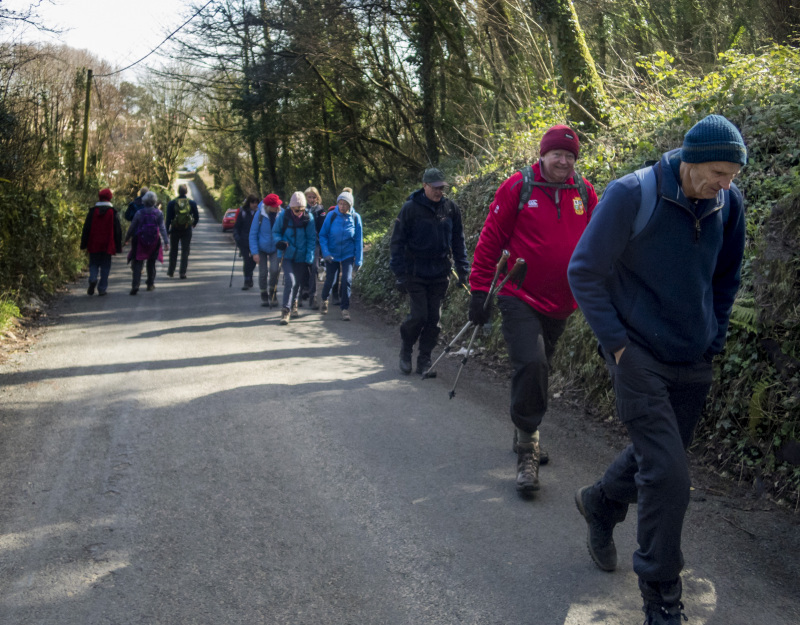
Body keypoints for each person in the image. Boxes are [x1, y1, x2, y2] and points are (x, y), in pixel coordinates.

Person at [567, 115, 747, 625]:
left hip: (694, 355)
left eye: (732, 175)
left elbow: (727, 277)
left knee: (660, 457)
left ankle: (601, 503)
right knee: (669, 474)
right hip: (637, 353)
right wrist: (619, 347)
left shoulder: (728, 203)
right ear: (689, 160)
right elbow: (583, 270)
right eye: (717, 172)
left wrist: (714, 338)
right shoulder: (631, 194)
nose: (724, 184)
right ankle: (661, 597)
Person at [468, 125, 599, 497]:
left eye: (570, 155)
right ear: (542, 155)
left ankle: (526, 429)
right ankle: (528, 448)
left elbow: (600, 237)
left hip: (564, 301)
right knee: (532, 362)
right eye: (557, 154)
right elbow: (490, 239)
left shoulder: (584, 191)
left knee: (539, 367)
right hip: (518, 293)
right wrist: (479, 289)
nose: (564, 161)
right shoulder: (517, 187)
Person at [390, 168, 469, 375]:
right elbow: (397, 242)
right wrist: (399, 273)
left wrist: (463, 268)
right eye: (435, 187)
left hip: (440, 272)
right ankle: (406, 350)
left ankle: (424, 359)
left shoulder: (450, 209)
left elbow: (458, 240)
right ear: (424, 185)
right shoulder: (410, 209)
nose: (439, 191)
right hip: (415, 272)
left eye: (441, 187)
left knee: (434, 319)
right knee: (419, 316)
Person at [319, 188, 364, 321]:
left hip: (348, 254)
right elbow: (323, 235)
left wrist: (359, 261)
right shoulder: (331, 216)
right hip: (331, 254)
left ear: (350, 205)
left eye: (345, 204)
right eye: (340, 203)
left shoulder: (356, 218)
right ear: (337, 203)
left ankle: (345, 308)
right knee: (330, 280)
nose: (342, 206)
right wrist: (325, 253)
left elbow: (358, 240)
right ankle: (324, 299)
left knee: (347, 280)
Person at [274, 192, 316, 325]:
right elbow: (275, 232)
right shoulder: (283, 216)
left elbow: (311, 239)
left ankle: (294, 304)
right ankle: (285, 311)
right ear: (291, 207)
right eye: (296, 209)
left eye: (302, 209)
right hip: (286, 254)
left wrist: (309, 257)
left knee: (297, 283)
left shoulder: (309, 218)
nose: (299, 212)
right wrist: (279, 241)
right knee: (290, 281)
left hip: (301, 256)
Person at [124, 190, 169, 295]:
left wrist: (126, 238)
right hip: (154, 241)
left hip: (140, 240)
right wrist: (166, 242)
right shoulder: (158, 213)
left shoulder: (139, 213)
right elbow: (162, 228)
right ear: (154, 201)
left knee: (138, 262)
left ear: (144, 201)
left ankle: (135, 285)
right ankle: (150, 284)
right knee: (151, 263)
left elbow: (132, 227)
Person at [80, 188, 122, 296]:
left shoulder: (93, 211)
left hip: (93, 242)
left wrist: (83, 243)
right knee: (105, 266)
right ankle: (102, 288)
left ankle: (93, 279)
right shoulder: (112, 212)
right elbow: (117, 230)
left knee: (93, 263)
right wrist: (118, 246)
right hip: (107, 244)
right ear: (110, 198)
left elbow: (86, 228)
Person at [250, 193, 283, 306]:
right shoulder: (259, 215)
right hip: (261, 248)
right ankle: (263, 293)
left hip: (275, 247)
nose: (277, 207)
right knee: (263, 272)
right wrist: (254, 252)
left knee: (275, 270)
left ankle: (272, 292)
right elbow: (253, 234)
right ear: (268, 207)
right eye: (274, 205)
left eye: (277, 205)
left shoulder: (281, 214)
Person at [165, 184, 199, 279]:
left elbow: (168, 219)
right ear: (186, 192)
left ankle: (171, 271)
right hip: (186, 229)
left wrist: (167, 231)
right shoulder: (191, 203)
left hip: (175, 229)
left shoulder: (172, 203)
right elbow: (196, 216)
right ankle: (182, 273)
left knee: (174, 251)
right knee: (185, 251)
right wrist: (193, 224)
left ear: (178, 191)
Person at [304, 186, 328, 308]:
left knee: (314, 268)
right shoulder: (300, 208)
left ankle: (313, 297)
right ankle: (303, 290)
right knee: (303, 267)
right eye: (309, 197)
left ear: (317, 198)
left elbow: (322, 228)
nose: (312, 199)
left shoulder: (320, 210)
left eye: (314, 197)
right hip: (302, 242)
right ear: (305, 197)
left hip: (315, 242)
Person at [234, 195, 258, 290]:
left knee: (253, 261)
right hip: (243, 241)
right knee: (247, 260)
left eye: (256, 202)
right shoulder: (243, 212)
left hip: (255, 242)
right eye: (253, 202)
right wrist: (237, 238)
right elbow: (237, 227)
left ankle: (249, 276)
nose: (255, 204)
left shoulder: (259, 213)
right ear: (249, 203)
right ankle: (247, 280)